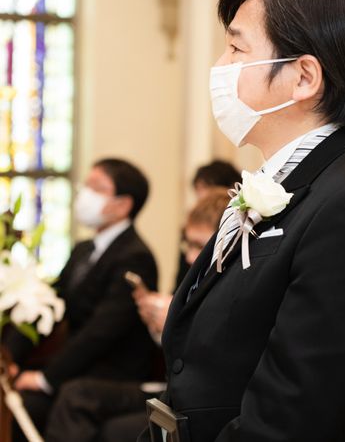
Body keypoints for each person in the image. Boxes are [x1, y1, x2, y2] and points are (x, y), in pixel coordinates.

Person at [146, 0, 345, 442]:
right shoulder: (283, 181)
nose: (221, 66)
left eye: (237, 49)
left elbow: (293, 411)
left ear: (304, 77)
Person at [42, 188, 231, 442]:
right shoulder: (193, 282)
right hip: (173, 386)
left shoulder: (231, 289)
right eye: (187, 244)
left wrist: (172, 325)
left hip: (198, 396)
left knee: (97, 412)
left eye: (199, 246)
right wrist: (157, 324)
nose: (188, 256)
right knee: (77, 396)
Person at [6, 158, 158, 441]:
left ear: (123, 204)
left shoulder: (135, 257)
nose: (84, 194)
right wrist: (11, 356)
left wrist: (45, 379)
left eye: (96, 188)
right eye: (85, 185)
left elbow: (100, 333)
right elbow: (47, 303)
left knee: (34, 403)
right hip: (75, 369)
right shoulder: (83, 249)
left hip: (110, 376)